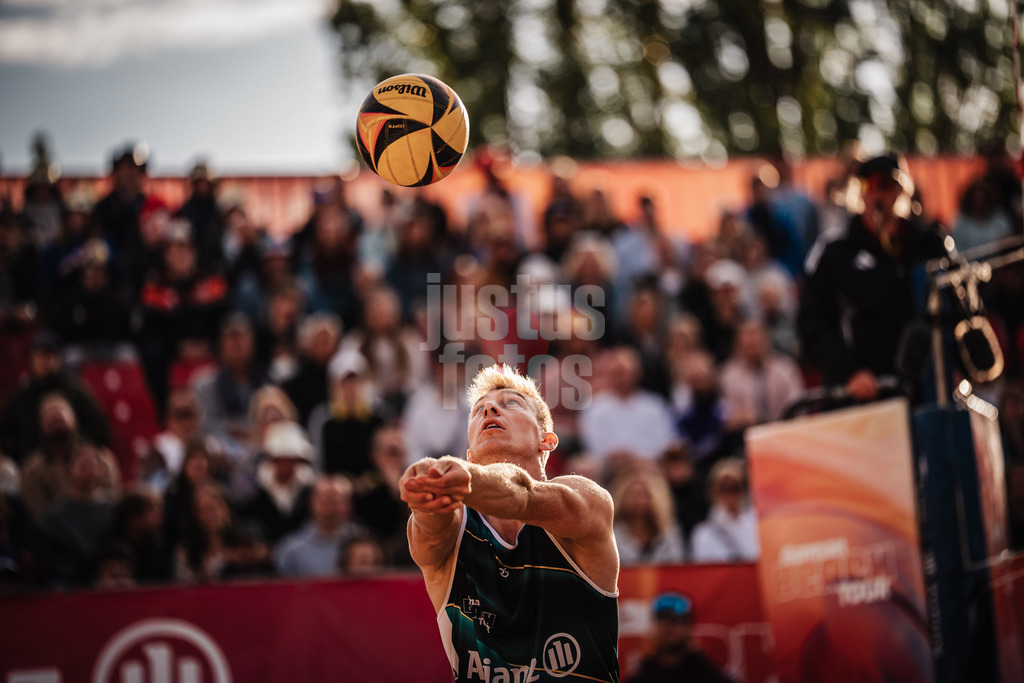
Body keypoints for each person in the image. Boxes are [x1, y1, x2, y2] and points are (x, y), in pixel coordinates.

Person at [399, 364, 620, 682]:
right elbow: (431, 527)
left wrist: (462, 478)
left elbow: (523, 495)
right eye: (478, 410)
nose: (489, 407)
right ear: (470, 454)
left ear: (547, 440)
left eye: (511, 403)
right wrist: (427, 496)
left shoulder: (586, 501)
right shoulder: (455, 525)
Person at [798, 154, 946, 401]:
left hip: (930, 388)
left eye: (887, 187)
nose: (878, 196)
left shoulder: (930, 244)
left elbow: (958, 309)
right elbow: (812, 325)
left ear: (902, 192)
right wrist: (849, 373)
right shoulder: (837, 254)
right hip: (868, 393)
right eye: (870, 186)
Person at [625, 592, 734, 683]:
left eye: (675, 622)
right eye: (662, 622)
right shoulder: (645, 674)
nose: (668, 628)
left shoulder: (706, 674)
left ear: (688, 627)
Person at [273, 475, 365, 578]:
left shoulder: (366, 545)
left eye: (335, 500)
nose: (330, 506)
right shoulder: (290, 549)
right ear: (312, 503)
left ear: (348, 505)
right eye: (324, 499)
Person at [609, 465, 686, 565]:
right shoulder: (614, 534)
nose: (639, 502)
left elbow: (677, 564)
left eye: (644, 496)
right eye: (634, 496)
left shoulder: (669, 532)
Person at [689, 458, 759, 563]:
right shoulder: (702, 534)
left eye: (734, 488)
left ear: (744, 490)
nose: (729, 495)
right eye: (723, 488)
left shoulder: (757, 527)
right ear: (713, 492)